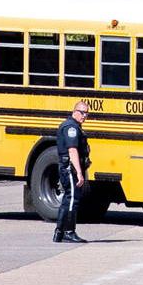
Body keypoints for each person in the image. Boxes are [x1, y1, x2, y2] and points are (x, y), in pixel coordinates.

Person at [54, 101, 91, 243]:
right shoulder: (71, 127)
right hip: (70, 167)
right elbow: (72, 149)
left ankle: (59, 232)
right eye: (82, 112)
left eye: (87, 113)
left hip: (68, 167)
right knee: (72, 200)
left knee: (68, 199)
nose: (85, 116)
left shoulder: (74, 126)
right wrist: (79, 172)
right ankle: (69, 231)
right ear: (74, 111)